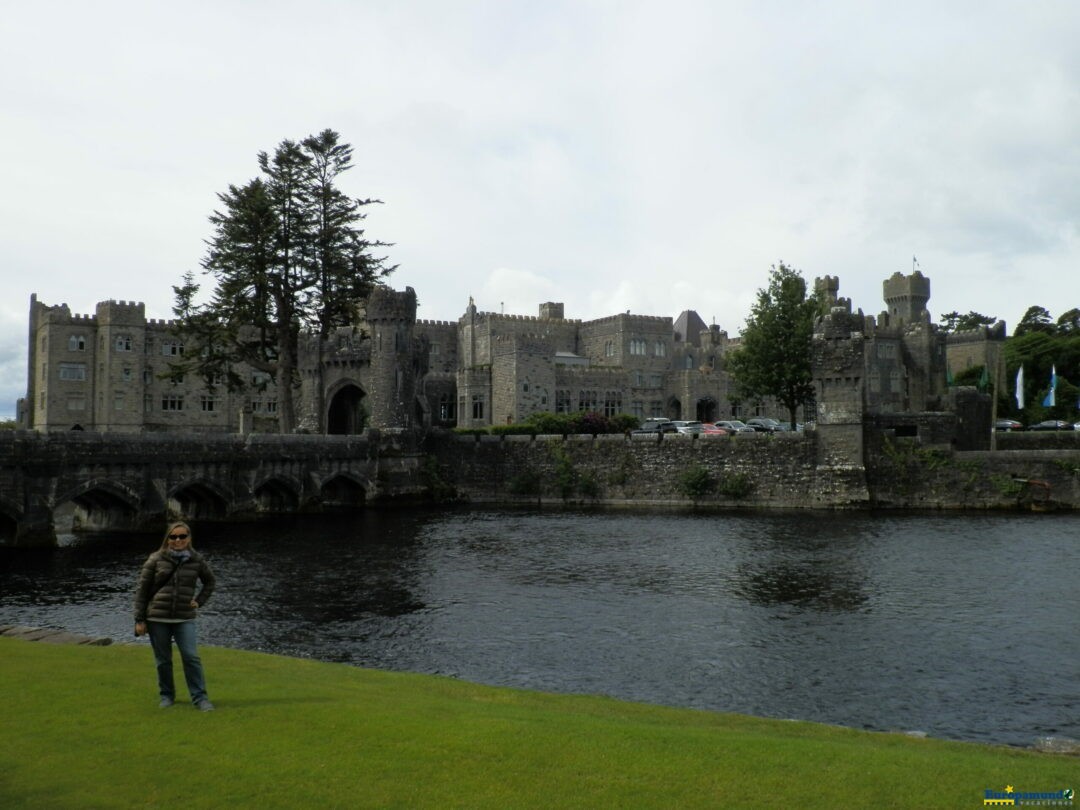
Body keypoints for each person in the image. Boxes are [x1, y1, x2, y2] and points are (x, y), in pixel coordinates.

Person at [133, 520, 217, 710]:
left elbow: (210, 582)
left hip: (184, 617)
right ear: (168, 538)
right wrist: (139, 619)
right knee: (163, 660)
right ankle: (167, 696)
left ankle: (200, 698)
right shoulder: (155, 559)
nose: (178, 540)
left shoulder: (197, 560)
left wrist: (199, 601)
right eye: (173, 536)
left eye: (182, 536)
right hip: (157, 618)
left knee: (191, 657)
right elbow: (142, 591)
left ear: (189, 538)